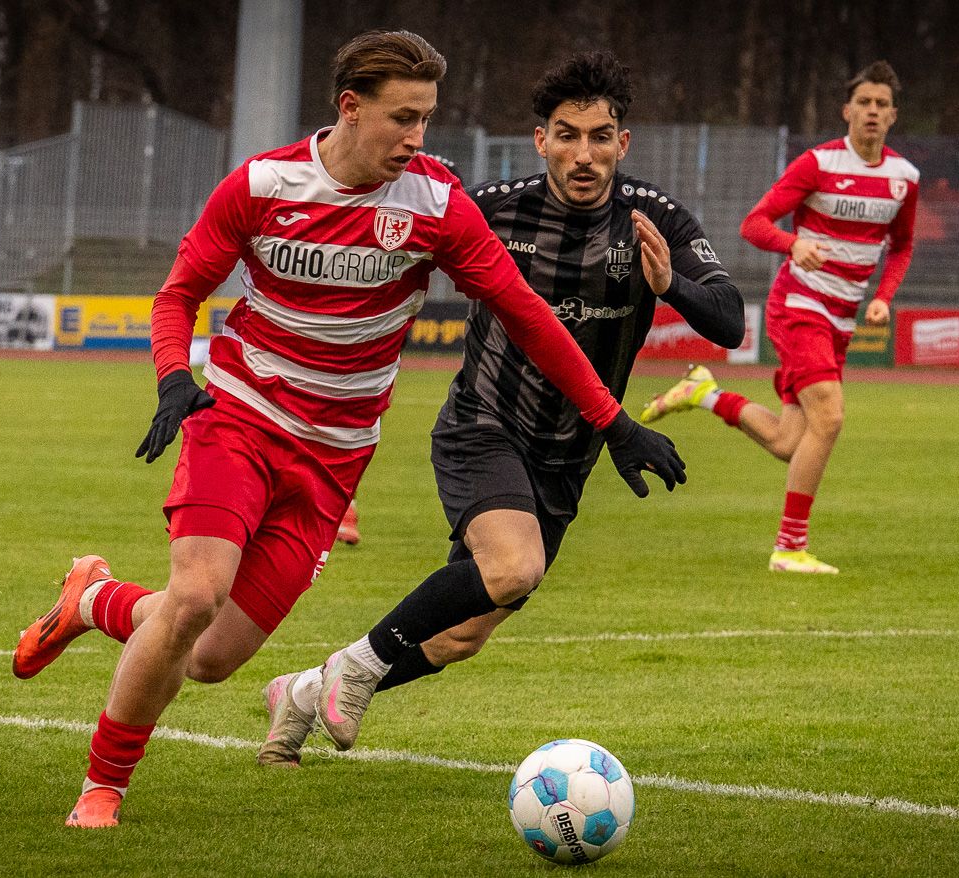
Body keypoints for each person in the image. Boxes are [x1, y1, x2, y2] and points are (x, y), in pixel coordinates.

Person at [6, 30, 685, 829]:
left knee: (209, 658)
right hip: (240, 419)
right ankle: (104, 788)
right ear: (350, 108)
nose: (417, 137)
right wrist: (172, 377)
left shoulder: (436, 205)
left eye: (426, 119)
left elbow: (528, 316)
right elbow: (179, 294)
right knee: (194, 596)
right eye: (402, 118)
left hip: (333, 461)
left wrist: (614, 422)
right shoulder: (264, 185)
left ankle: (94, 601)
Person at [258, 50, 744, 765]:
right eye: (567, 135)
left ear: (623, 143)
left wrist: (672, 285)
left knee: (461, 636)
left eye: (600, 137)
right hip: (484, 424)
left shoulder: (655, 218)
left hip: (569, 454)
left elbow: (729, 321)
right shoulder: (494, 208)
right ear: (541, 139)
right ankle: (356, 670)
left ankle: (302, 691)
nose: (584, 154)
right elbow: (392, 248)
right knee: (514, 567)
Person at [641, 61, 919, 576]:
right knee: (829, 418)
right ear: (847, 111)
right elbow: (754, 224)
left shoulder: (904, 179)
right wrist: (794, 244)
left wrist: (883, 296)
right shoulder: (818, 164)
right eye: (864, 102)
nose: (873, 111)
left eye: (882, 104)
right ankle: (790, 547)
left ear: (893, 115)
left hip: (843, 319)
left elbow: (901, 246)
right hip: (800, 306)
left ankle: (704, 394)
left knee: (789, 442)